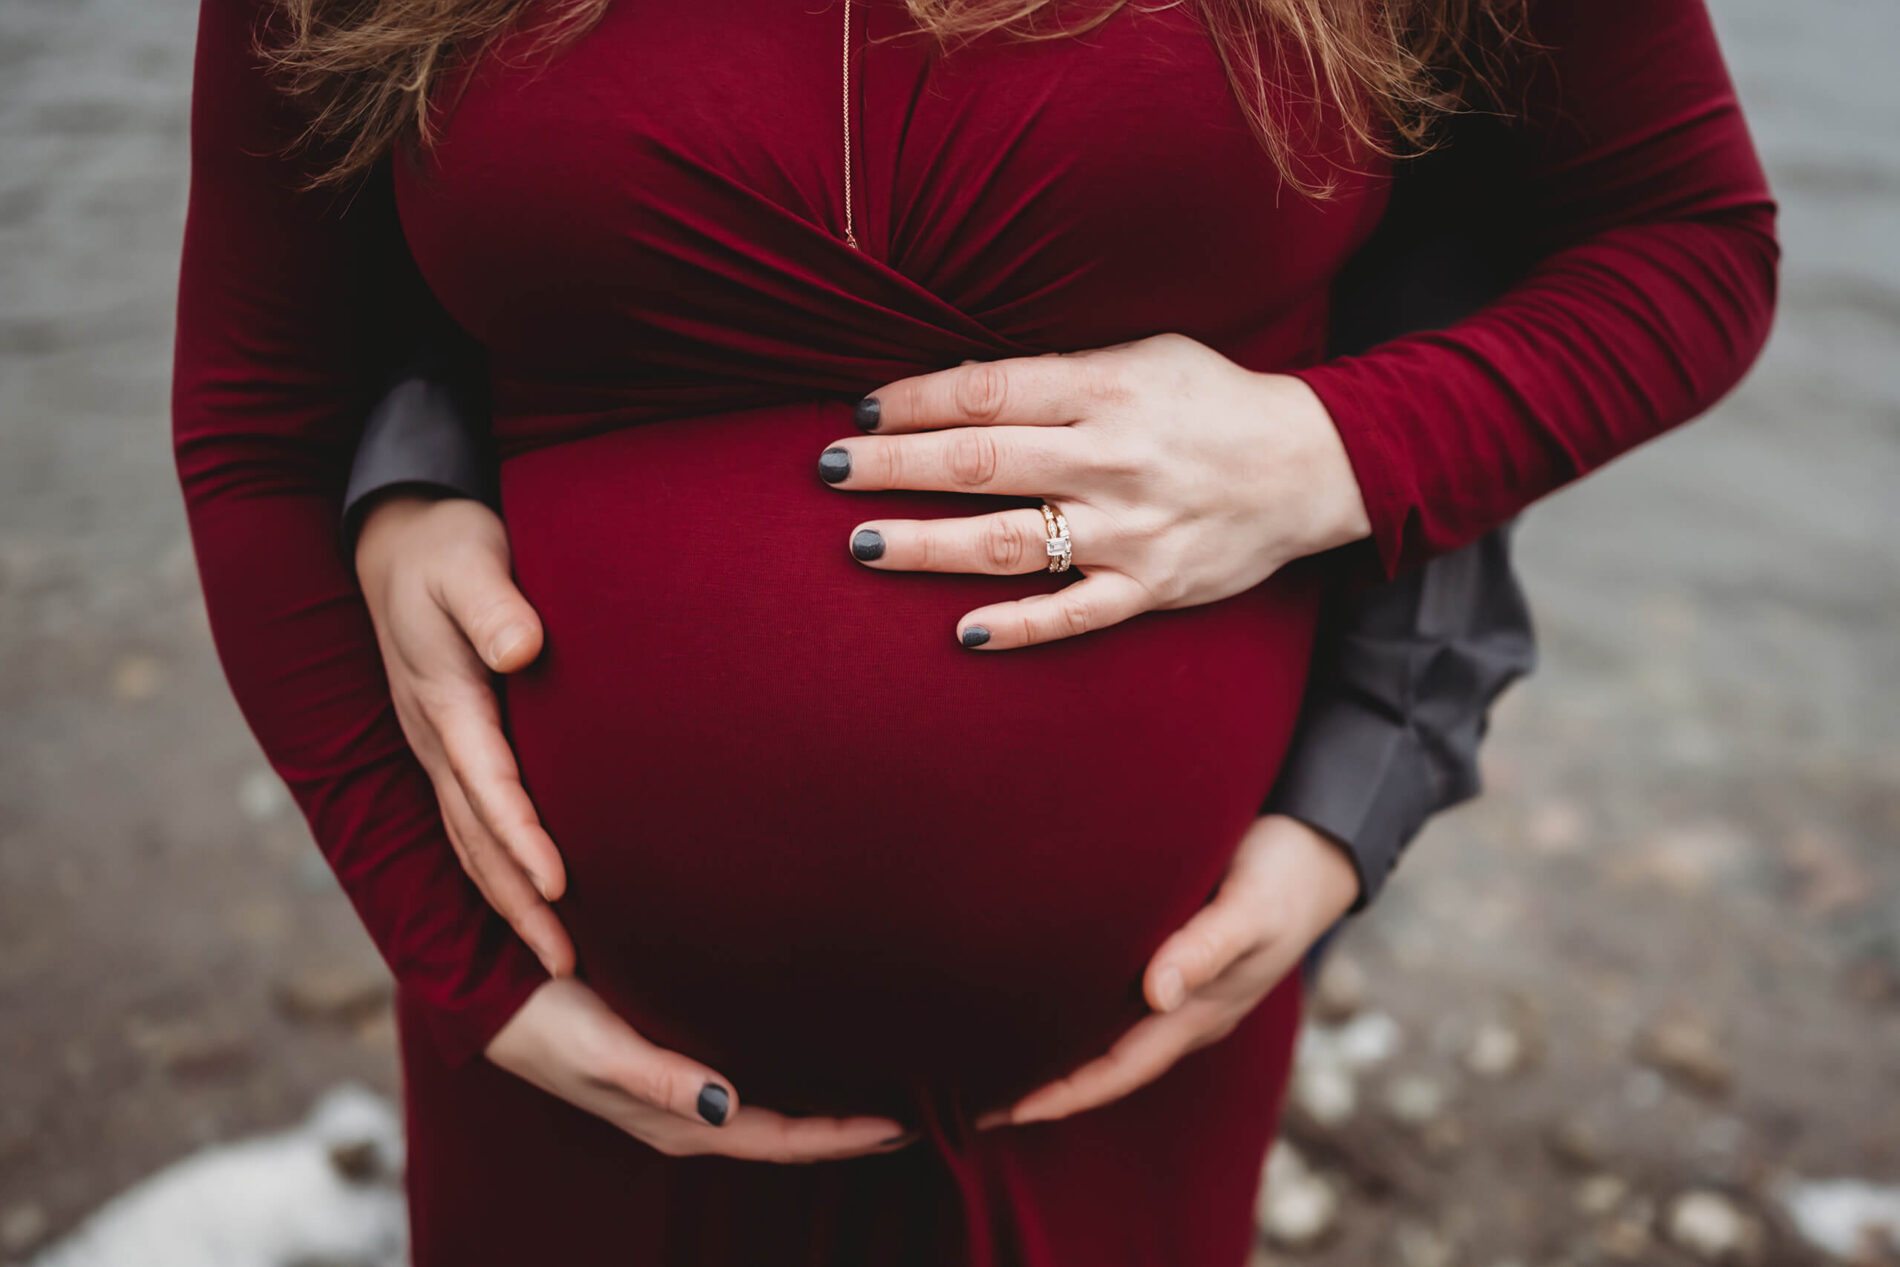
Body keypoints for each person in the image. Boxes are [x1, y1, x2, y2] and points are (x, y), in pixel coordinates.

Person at [170, 0, 1778, 1260]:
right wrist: (457, 961)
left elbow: (1682, 244)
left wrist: (1330, 455)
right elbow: (266, 407)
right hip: (576, 1063)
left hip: (1144, 1040)